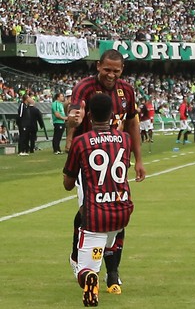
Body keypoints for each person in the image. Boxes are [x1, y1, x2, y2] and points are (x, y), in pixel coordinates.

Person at [65, 49, 145, 295]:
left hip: (116, 158)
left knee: (113, 212)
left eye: (116, 71)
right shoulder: (84, 88)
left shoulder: (127, 91)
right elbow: (75, 115)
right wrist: (71, 127)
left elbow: (132, 122)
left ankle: (107, 271)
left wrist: (139, 159)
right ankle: (91, 265)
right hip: (87, 162)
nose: (111, 74)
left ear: (122, 71)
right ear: (98, 66)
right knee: (90, 213)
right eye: (107, 69)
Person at [63, 93, 135, 307]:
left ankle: (90, 278)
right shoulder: (125, 139)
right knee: (108, 243)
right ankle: (111, 274)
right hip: (122, 211)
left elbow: (68, 184)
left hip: (96, 214)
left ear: (90, 114)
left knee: (84, 270)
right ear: (113, 113)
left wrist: (74, 128)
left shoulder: (81, 142)